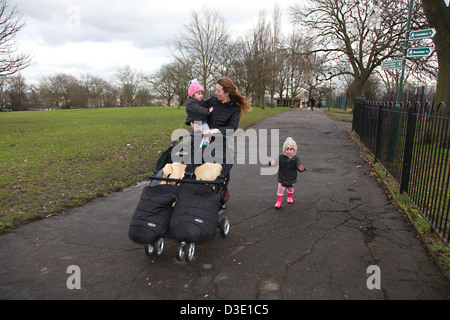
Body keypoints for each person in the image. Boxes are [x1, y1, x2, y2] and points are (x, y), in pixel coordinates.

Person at [203, 76, 251, 202]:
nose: (215, 93)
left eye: (218, 91)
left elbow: (232, 127)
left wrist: (216, 131)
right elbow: (197, 110)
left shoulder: (235, 108)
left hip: (221, 139)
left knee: (223, 161)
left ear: (227, 93)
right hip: (204, 137)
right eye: (216, 90)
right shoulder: (212, 101)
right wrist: (192, 121)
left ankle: (223, 187)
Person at [269, 137, 305, 208]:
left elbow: (299, 164)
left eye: (291, 149)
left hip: (291, 177)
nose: (289, 151)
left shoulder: (296, 158)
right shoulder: (281, 157)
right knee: (280, 188)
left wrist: (301, 168)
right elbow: (275, 161)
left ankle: (290, 197)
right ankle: (278, 202)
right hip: (282, 176)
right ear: (284, 150)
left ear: (294, 150)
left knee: (290, 188)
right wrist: (271, 163)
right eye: (287, 149)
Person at [185, 80, 214, 147]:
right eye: (199, 94)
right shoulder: (191, 102)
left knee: (208, 132)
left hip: (203, 122)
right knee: (196, 136)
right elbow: (198, 109)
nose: (201, 95)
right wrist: (208, 111)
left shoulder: (200, 101)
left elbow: (205, 104)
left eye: (201, 93)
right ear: (193, 94)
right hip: (196, 123)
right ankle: (194, 147)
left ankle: (205, 145)